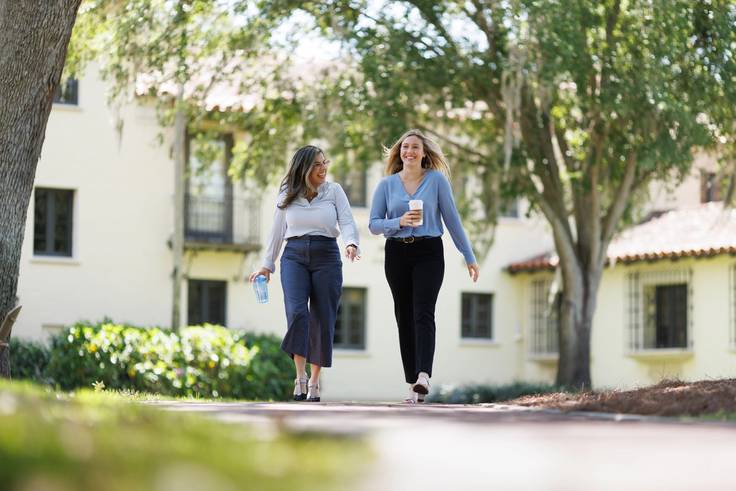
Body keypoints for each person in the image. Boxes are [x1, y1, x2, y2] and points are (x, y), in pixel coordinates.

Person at [369, 129, 479, 403]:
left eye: (415, 147)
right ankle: (411, 384)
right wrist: (399, 222)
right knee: (403, 317)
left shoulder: (436, 181)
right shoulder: (386, 185)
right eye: (405, 147)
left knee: (423, 312)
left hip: (429, 251)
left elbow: (452, 220)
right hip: (397, 252)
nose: (409, 151)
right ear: (399, 152)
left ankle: (423, 376)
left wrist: (469, 255)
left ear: (424, 153)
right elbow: (373, 224)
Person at [249, 145, 360, 402]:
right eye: (317, 164)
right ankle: (299, 375)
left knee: (323, 317)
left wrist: (351, 243)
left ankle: (314, 381)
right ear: (304, 168)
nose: (323, 168)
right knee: (298, 313)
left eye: (325, 163)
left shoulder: (334, 191)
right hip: (294, 256)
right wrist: (267, 264)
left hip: (327, 256)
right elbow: (277, 230)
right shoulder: (287, 192)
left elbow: (346, 220)